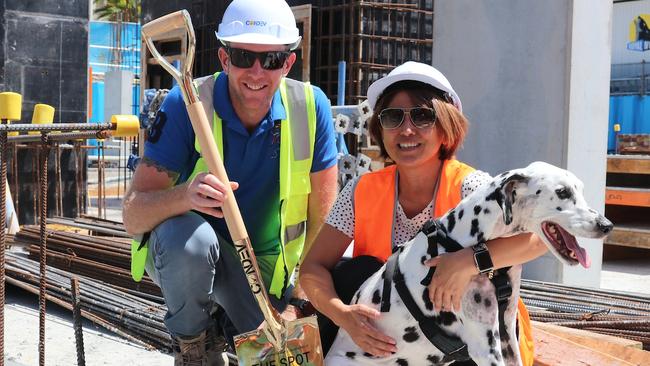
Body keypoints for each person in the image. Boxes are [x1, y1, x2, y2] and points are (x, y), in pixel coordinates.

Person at [122, 0, 338, 364]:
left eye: (270, 60)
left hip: (272, 273)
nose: (256, 72)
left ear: (287, 63)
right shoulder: (187, 103)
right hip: (200, 261)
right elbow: (132, 215)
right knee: (186, 240)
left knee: (276, 352)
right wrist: (185, 197)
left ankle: (232, 321)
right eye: (243, 57)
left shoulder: (310, 108)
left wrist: (301, 302)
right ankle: (194, 343)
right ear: (224, 59)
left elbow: (324, 220)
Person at [300, 61, 546, 365]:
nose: (407, 129)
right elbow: (312, 268)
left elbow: (538, 238)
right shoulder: (360, 190)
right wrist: (344, 315)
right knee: (354, 273)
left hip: (467, 345)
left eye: (422, 116)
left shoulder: (471, 187)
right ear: (380, 129)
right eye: (393, 117)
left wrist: (469, 261)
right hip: (392, 346)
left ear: (446, 128)